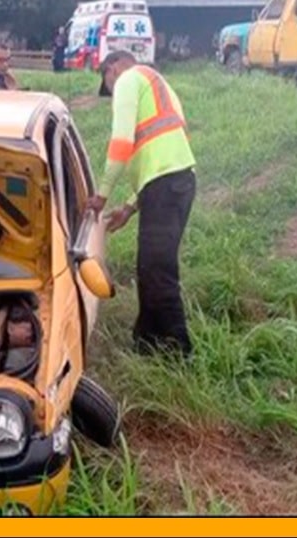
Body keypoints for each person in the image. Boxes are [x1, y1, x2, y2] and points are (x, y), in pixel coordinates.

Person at [91, 50, 197, 360]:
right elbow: (166, 156)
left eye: (107, 86)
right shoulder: (160, 85)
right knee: (149, 267)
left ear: (111, 70)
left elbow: (122, 142)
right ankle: (145, 343)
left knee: (158, 271)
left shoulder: (128, 79)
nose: (112, 93)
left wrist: (102, 194)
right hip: (177, 184)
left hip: (165, 188)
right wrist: (129, 206)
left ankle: (181, 353)